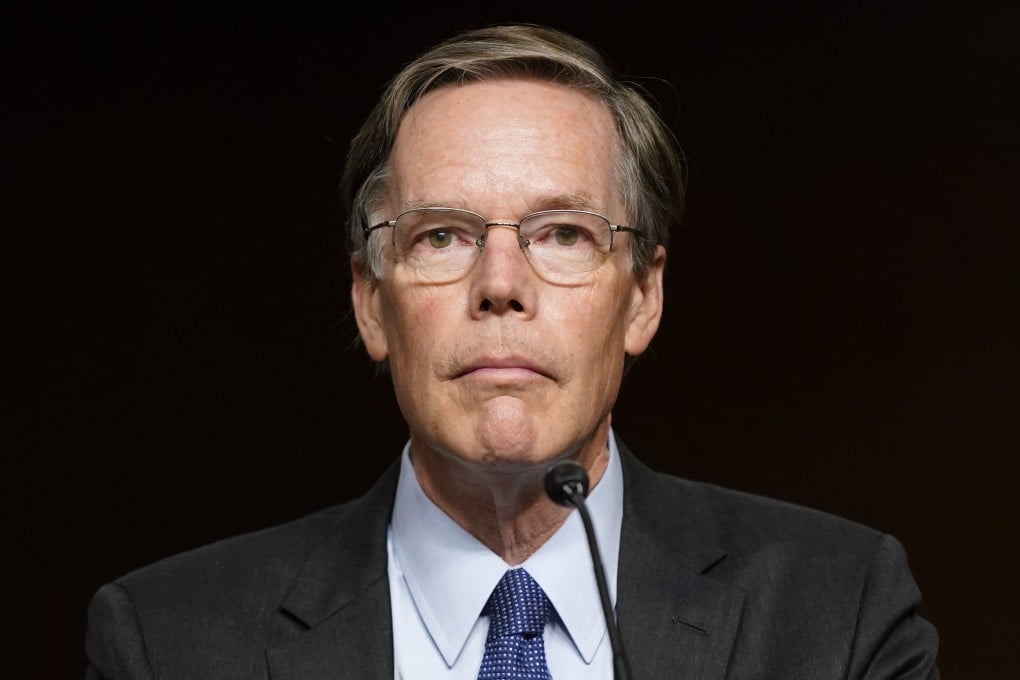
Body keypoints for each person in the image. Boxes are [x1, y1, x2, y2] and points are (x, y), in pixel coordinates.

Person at [84, 23, 940, 679]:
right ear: (370, 303)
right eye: (443, 236)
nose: (501, 282)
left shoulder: (839, 612)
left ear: (642, 297)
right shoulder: (167, 640)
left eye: (564, 233)